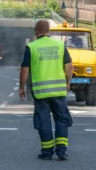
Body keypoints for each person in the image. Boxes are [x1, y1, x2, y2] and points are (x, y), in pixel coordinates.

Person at [19, 20, 73, 161]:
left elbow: (25, 70)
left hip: (41, 92)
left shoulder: (31, 47)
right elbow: (69, 66)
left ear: (36, 31)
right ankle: (62, 151)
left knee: (43, 120)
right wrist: (68, 82)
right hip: (59, 92)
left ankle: (47, 152)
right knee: (61, 119)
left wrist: (21, 87)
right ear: (49, 31)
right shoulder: (60, 45)